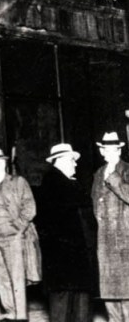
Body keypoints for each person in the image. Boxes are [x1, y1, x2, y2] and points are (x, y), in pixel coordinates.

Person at [36, 142, 97, 322]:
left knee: (78, 307)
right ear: (60, 161)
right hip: (64, 263)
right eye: (72, 160)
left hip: (74, 262)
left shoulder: (68, 183)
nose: (75, 164)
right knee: (64, 310)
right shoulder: (54, 184)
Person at [0, 147, 38, 322]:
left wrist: (17, 228)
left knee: (16, 278)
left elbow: (30, 208)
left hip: (12, 237)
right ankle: (10, 312)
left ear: (2, 163)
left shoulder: (17, 182)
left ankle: (21, 316)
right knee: (1, 277)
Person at [91, 130, 129, 322]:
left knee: (126, 290)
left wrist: (113, 176)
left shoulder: (126, 170)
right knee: (109, 292)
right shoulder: (98, 173)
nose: (108, 153)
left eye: (113, 149)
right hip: (105, 240)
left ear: (119, 150)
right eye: (105, 149)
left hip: (124, 239)